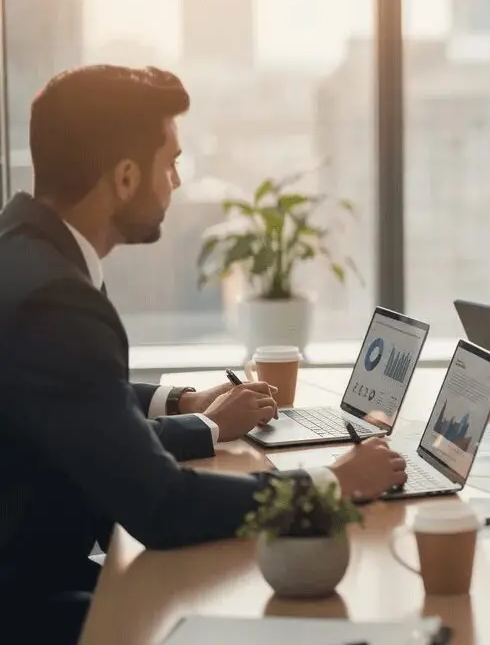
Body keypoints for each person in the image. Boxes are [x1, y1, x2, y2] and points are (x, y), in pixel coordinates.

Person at [0, 65, 408, 643]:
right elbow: (162, 507)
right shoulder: (56, 299)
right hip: (25, 602)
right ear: (123, 177)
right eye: (169, 163)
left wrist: (189, 407)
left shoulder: (29, 255)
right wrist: (330, 484)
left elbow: (83, 412)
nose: (175, 182)